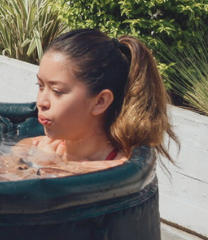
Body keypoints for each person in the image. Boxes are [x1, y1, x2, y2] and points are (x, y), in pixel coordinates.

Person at [17, 28, 175, 170]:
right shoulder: (36, 147)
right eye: (40, 86)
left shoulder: (118, 171)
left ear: (100, 102)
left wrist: (59, 169)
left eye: (57, 91)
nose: (41, 102)